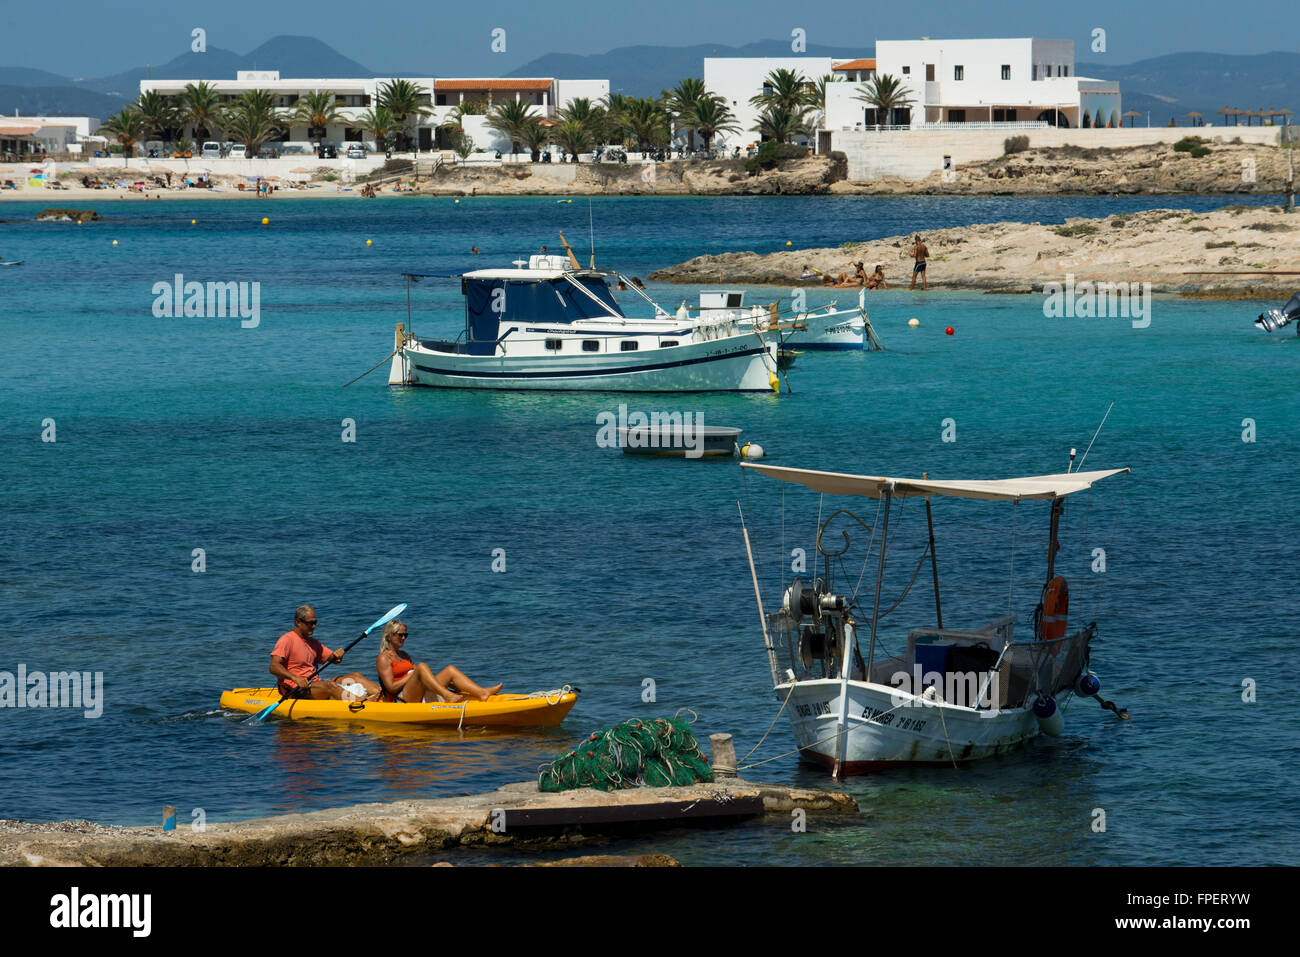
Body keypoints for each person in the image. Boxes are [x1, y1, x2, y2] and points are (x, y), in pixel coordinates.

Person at [269, 605, 380, 701]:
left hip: (315, 685)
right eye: (310, 623)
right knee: (330, 686)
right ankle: (364, 703)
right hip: (297, 690)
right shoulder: (287, 640)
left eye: (315, 622)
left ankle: (382, 695)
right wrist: (295, 678)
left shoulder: (313, 643)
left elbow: (334, 659)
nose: (314, 626)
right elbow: (273, 667)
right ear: (298, 622)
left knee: (356, 676)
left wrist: (338, 654)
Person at [375, 620, 501, 703]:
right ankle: (447, 696)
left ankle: (481, 692)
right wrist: (413, 674)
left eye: (405, 635)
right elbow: (391, 688)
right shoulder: (384, 658)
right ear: (389, 636)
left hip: (417, 691)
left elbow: (419, 676)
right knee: (422, 667)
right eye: (400, 635)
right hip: (401, 698)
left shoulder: (404, 654)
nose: (403, 638)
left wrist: (447, 683)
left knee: (449, 670)